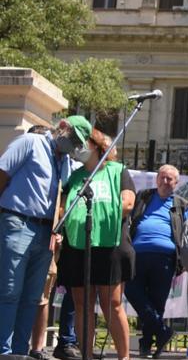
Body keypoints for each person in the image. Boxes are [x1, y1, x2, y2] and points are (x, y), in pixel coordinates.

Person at [0, 116, 88, 355]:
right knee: (9, 291)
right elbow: (2, 173)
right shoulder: (30, 142)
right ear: (62, 127)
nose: (74, 146)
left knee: (32, 297)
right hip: (18, 221)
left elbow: (61, 198)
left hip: (46, 231)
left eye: (78, 143)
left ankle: (19, 351)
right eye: (73, 139)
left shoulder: (66, 162)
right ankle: (3, 351)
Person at [58, 127, 136, 360]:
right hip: (78, 245)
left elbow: (127, 204)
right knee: (82, 304)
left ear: (95, 144)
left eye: (82, 143)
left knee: (111, 303)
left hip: (109, 243)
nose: (77, 148)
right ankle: (87, 356)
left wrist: (97, 214)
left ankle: (124, 357)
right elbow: (62, 208)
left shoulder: (118, 170)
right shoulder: (75, 176)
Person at [125, 164, 188, 358]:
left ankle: (147, 345)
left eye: (170, 179)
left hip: (165, 258)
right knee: (131, 290)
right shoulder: (143, 197)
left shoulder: (181, 204)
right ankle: (162, 331)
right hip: (138, 254)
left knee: (157, 302)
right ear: (156, 179)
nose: (165, 181)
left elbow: (187, 232)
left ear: (176, 183)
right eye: (162, 177)